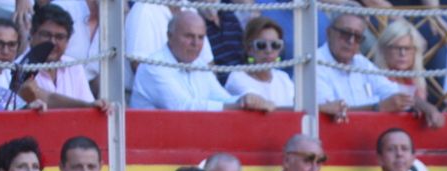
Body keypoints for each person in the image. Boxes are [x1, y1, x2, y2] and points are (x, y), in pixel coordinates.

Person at [317, 11, 437, 126]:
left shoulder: (361, 62)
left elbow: (392, 91)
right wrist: (377, 108)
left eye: (357, 37)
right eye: (345, 34)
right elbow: (328, 112)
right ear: (329, 33)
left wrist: (428, 108)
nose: (351, 41)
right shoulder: (315, 64)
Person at [132, 10, 266, 111]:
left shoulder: (199, 64)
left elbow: (221, 97)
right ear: (169, 36)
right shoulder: (153, 66)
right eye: (189, 36)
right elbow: (182, 107)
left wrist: (245, 99)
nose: (195, 43)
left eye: (201, 37)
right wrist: (238, 104)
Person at [23, 5, 105, 109]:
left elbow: (88, 109)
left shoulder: (74, 66)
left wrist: (91, 106)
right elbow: (48, 98)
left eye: (59, 37)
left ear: (68, 41)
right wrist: (86, 106)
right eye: (46, 35)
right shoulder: (18, 67)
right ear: (32, 34)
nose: (52, 42)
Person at [374, 19, 446, 128]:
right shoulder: (374, 76)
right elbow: (398, 97)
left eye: (407, 49)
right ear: (384, 49)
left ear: (415, 52)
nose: (402, 53)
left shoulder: (417, 79)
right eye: (397, 48)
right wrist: (426, 107)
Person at [225, 17, 294, 109]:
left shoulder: (284, 78)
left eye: (275, 45)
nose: (269, 50)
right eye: (261, 45)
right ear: (249, 49)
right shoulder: (237, 77)